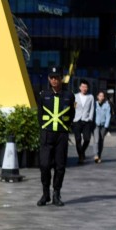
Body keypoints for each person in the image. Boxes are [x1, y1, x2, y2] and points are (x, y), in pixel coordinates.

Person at [36, 65, 75, 207]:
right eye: (52, 78)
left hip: (61, 135)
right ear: (49, 79)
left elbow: (71, 115)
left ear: (61, 78)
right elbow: (39, 115)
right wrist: (43, 129)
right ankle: (45, 193)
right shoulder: (43, 95)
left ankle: (56, 194)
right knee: (44, 165)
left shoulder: (69, 95)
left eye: (57, 78)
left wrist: (65, 128)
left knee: (60, 166)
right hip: (47, 134)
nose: (54, 80)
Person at [72, 79, 94, 164]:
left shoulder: (90, 97)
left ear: (88, 88)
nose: (84, 88)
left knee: (87, 139)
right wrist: (73, 119)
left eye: (86, 87)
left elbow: (92, 108)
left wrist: (90, 118)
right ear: (80, 87)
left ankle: (82, 151)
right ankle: (80, 157)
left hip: (86, 120)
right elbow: (73, 108)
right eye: (83, 86)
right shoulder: (75, 96)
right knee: (78, 139)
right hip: (77, 120)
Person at [92, 90, 111, 164]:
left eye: (102, 96)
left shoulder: (107, 105)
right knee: (96, 140)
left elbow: (108, 116)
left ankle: (99, 155)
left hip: (103, 126)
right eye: (100, 96)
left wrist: (106, 126)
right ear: (97, 96)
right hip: (96, 124)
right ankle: (96, 155)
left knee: (101, 141)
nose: (101, 97)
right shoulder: (94, 104)